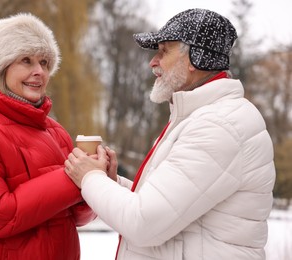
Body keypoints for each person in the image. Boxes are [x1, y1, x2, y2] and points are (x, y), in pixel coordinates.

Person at [64, 8, 275, 260]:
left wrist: (90, 178)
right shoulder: (200, 118)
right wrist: (112, 184)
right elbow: (169, 203)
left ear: (197, 58)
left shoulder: (218, 126)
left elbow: (144, 223)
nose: (153, 61)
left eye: (164, 51)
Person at [0, 13, 96, 260]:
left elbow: (78, 217)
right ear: (1, 66)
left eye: (45, 63)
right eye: (27, 60)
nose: (39, 72)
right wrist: (73, 177)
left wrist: (95, 180)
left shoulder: (56, 132)